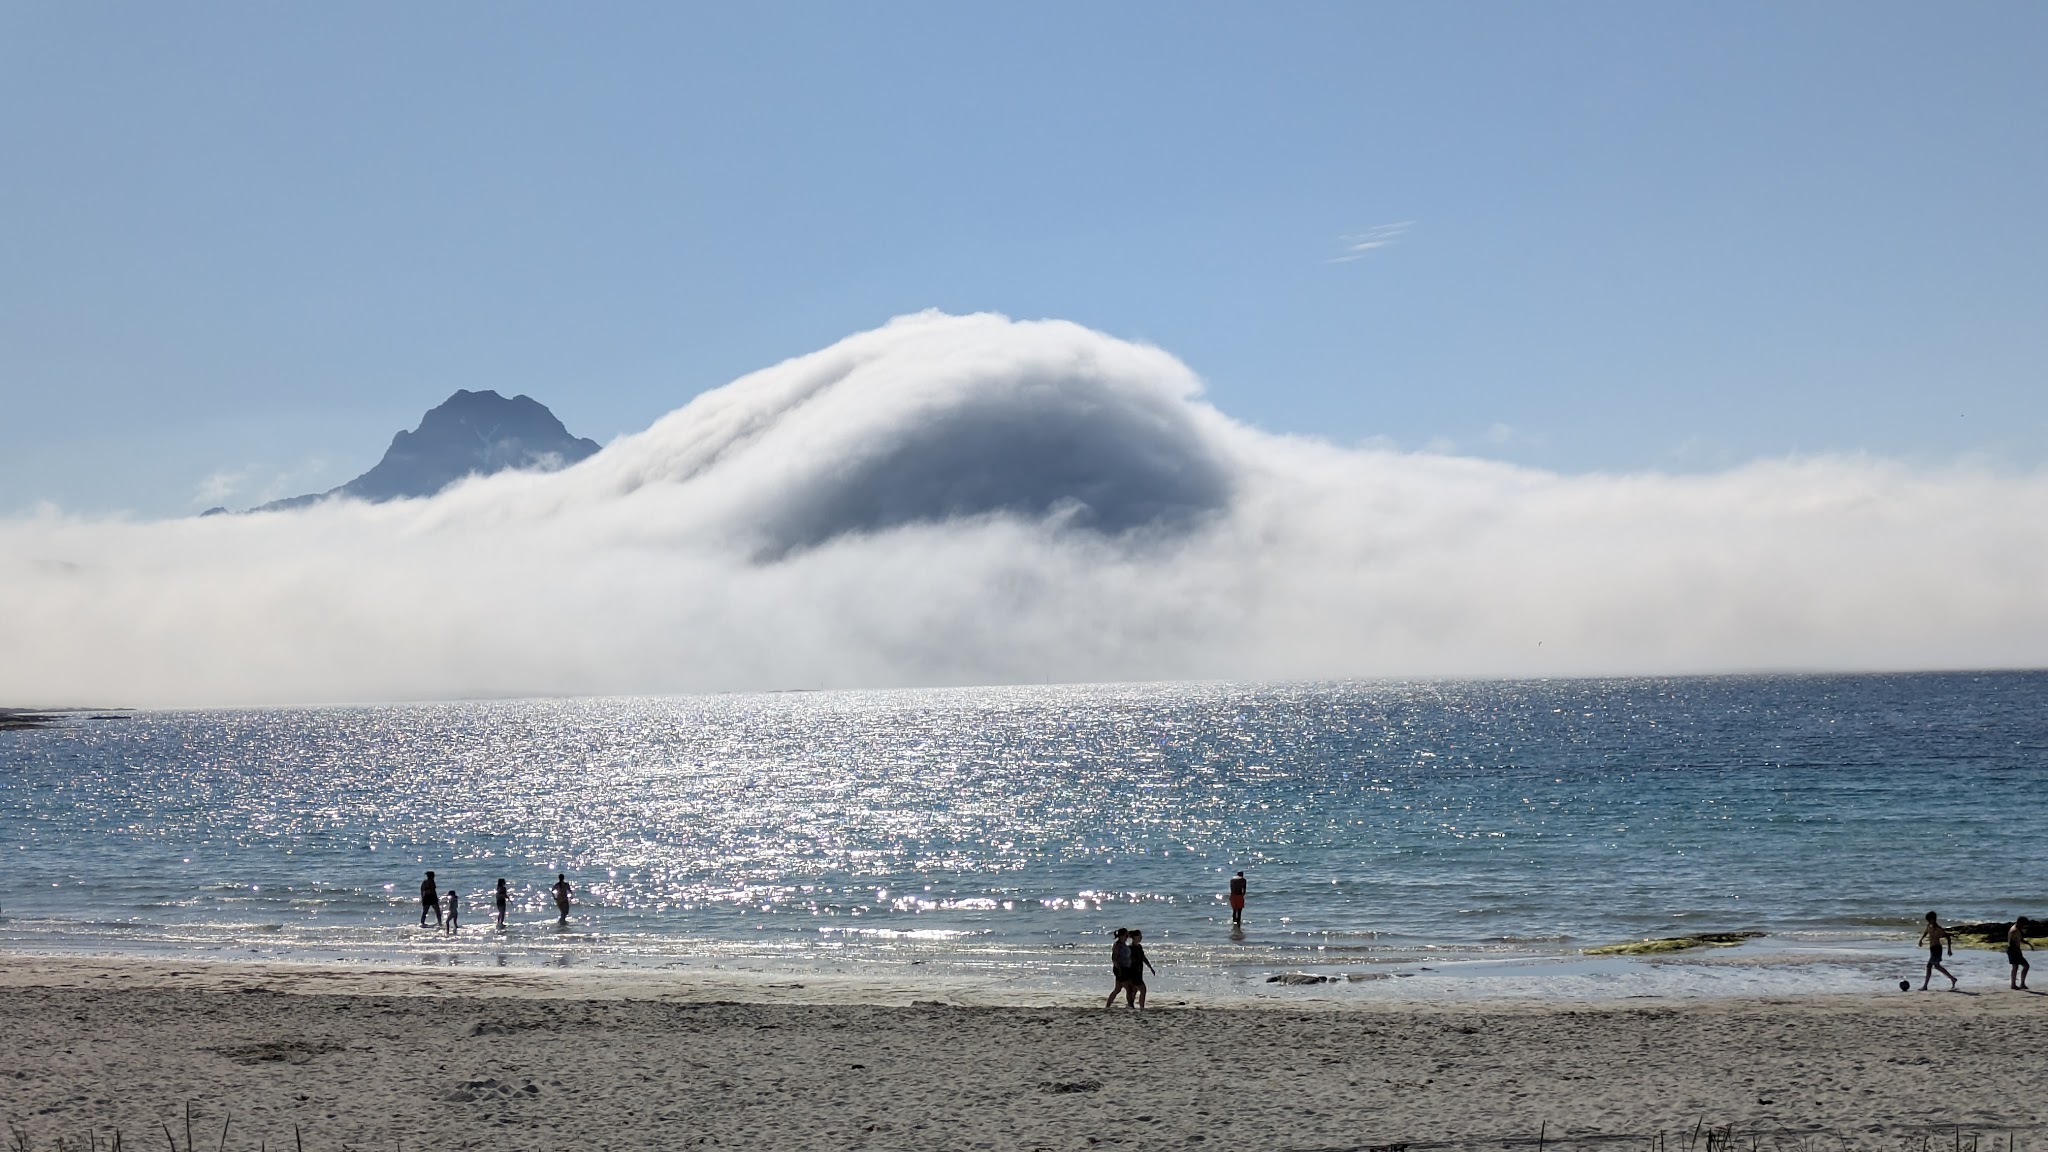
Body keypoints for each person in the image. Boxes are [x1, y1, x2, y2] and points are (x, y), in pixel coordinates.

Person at [1919, 911, 1957, 990]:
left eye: (1929, 920)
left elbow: (1948, 937)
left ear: (1933, 919)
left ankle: (1925, 986)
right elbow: (1926, 932)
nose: (1928, 921)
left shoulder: (1938, 929)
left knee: (1929, 966)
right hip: (1932, 948)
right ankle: (1952, 979)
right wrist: (1921, 939)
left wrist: (1949, 949)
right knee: (1936, 966)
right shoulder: (1929, 926)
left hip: (1937, 948)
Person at [1125, 929, 1158, 1009]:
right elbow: (1128, 960)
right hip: (1133, 972)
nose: (1141, 938)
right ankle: (1141, 1006)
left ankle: (1131, 1005)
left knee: (1134, 990)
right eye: (1139, 936)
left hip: (1139, 971)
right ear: (1134, 937)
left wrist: (1150, 967)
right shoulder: (1130, 948)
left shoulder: (1139, 947)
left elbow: (1143, 958)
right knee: (1142, 990)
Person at [1104, 928, 1132, 1009]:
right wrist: (1119, 969)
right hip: (1120, 969)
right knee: (1128, 988)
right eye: (1126, 935)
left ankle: (1108, 1005)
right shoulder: (1117, 945)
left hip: (1126, 968)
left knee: (1118, 989)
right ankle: (1130, 1005)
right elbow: (1114, 958)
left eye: (1128, 935)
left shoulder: (1124, 945)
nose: (1127, 937)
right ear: (1121, 936)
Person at [2008, 917, 2032, 991]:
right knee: (2023, 966)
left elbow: (2020, 939)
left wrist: (2028, 944)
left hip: (2016, 950)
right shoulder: (2014, 930)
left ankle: (2020, 984)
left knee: (2019, 966)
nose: (2023, 927)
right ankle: (2014, 984)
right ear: (2019, 923)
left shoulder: (2018, 929)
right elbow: (2011, 943)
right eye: (2023, 925)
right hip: (2013, 950)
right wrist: (2017, 951)